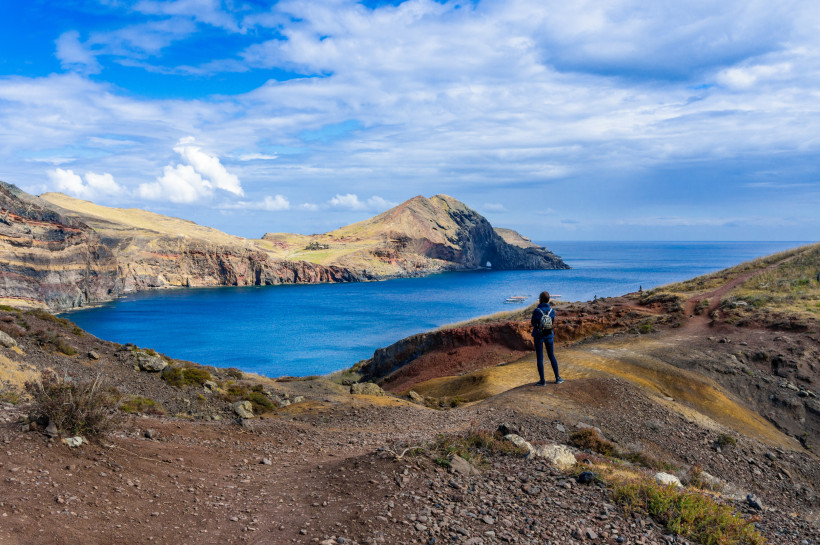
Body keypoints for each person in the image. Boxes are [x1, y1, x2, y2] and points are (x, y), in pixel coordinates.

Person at [531, 291, 563, 385]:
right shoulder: (552, 311)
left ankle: (542, 381)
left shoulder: (537, 311)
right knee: (551, 355)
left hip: (538, 335)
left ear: (540, 300)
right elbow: (552, 322)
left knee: (540, 358)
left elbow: (533, 322)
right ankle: (558, 378)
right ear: (548, 300)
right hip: (549, 335)